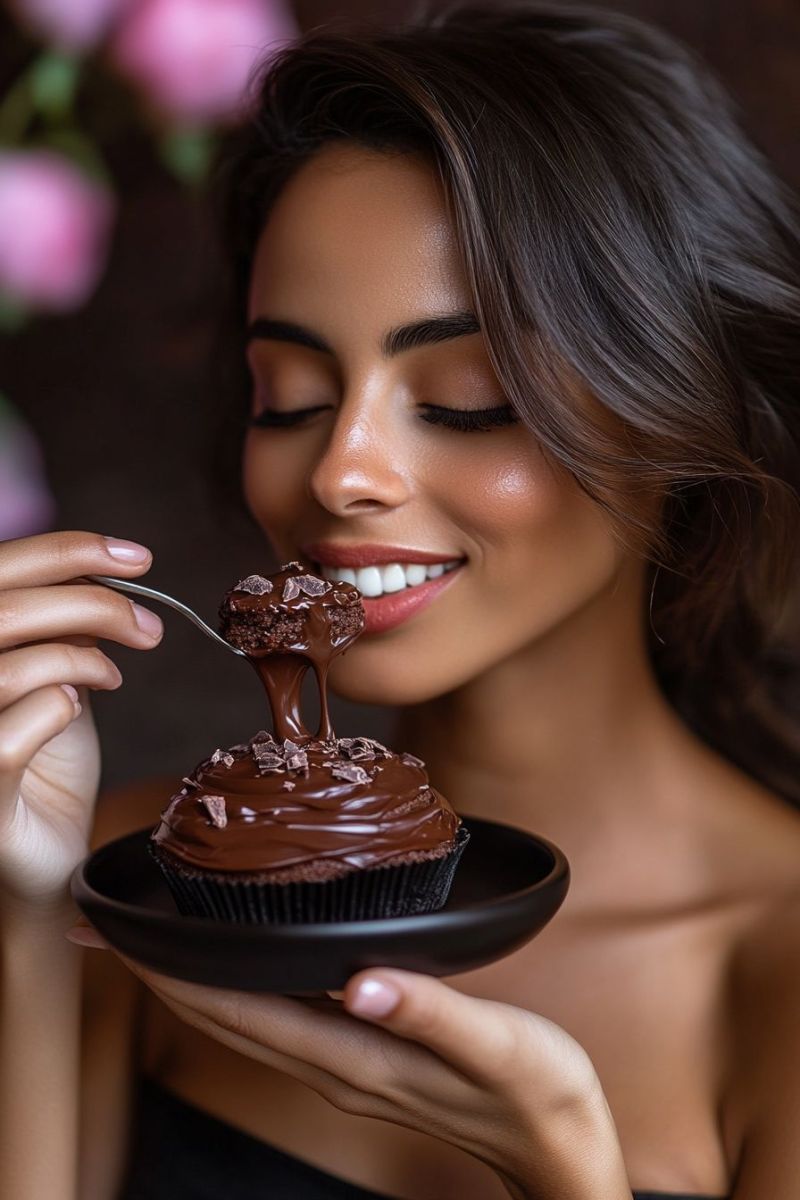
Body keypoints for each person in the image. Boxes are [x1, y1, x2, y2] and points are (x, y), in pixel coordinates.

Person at [2, 4, 799, 1198]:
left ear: (681, 417)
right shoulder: (140, 888)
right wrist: (22, 924)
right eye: (288, 396)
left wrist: (563, 1168)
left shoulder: (772, 967)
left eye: (469, 398)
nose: (337, 472)